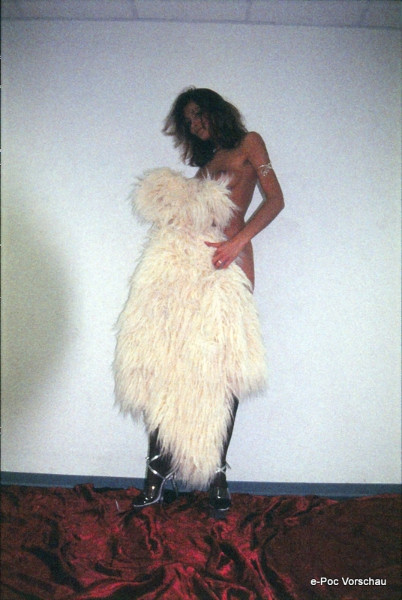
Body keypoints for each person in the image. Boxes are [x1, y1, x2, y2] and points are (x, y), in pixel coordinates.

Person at [116, 87, 284, 516]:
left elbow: (276, 199)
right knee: (171, 361)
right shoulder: (205, 166)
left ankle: (217, 474)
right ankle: (158, 471)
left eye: (197, 114)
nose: (194, 124)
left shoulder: (250, 144)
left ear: (215, 110)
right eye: (188, 121)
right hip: (194, 268)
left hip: (231, 262)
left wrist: (237, 242)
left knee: (226, 369)